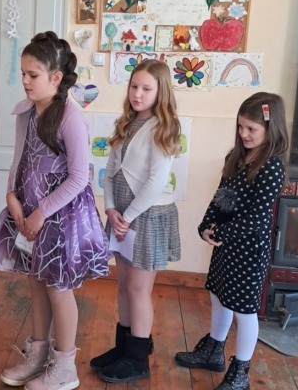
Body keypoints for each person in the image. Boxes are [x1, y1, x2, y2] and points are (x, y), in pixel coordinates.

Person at [0, 31, 110, 390]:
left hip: (62, 215)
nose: (25, 81)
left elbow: (79, 177)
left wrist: (41, 212)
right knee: (36, 283)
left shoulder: (69, 117)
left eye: (33, 75)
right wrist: (12, 196)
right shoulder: (25, 112)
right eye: (23, 73)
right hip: (29, 208)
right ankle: (37, 356)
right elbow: (19, 158)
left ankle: (65, 367)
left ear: (55, 77)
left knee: (57, 287)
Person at [174, 92, 289, 389]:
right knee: (219, 295)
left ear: (271, 128)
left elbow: (257, 218)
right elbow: (220, 197)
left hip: (249, 250)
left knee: (245, 311)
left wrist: (222, 233)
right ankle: (214, 350)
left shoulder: (271, 167)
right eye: (240, 127)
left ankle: (240, 373)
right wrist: (205, 226)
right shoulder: (235, 158)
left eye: (252, 129)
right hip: (226, 246)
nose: (244, 134)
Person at [90, 59, 181, 383]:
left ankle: (138, 358)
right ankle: (124, 347)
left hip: (146, 218)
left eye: (146, 89)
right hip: (122, 218)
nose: (137, 94)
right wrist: (110, 209)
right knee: (124, 285)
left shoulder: (163, 128)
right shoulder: (125, 124)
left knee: (139, 289)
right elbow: (111, 173)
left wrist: (126, 217)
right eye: (134, 86)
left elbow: (156, 182)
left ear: (160, 92)